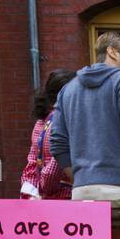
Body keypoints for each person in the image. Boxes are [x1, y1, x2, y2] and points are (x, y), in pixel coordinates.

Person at [49, 32, 120, 200]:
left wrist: (82, 179)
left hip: (81, 191)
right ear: (112, 52)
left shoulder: (67, 89)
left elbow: (57, 144)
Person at [21, 69, 76, 200]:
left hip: (45, 201)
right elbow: (54, 169)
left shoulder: (41, 122)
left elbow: (32, 163)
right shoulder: (65, 122)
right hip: (67, 199)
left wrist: (30, 194)